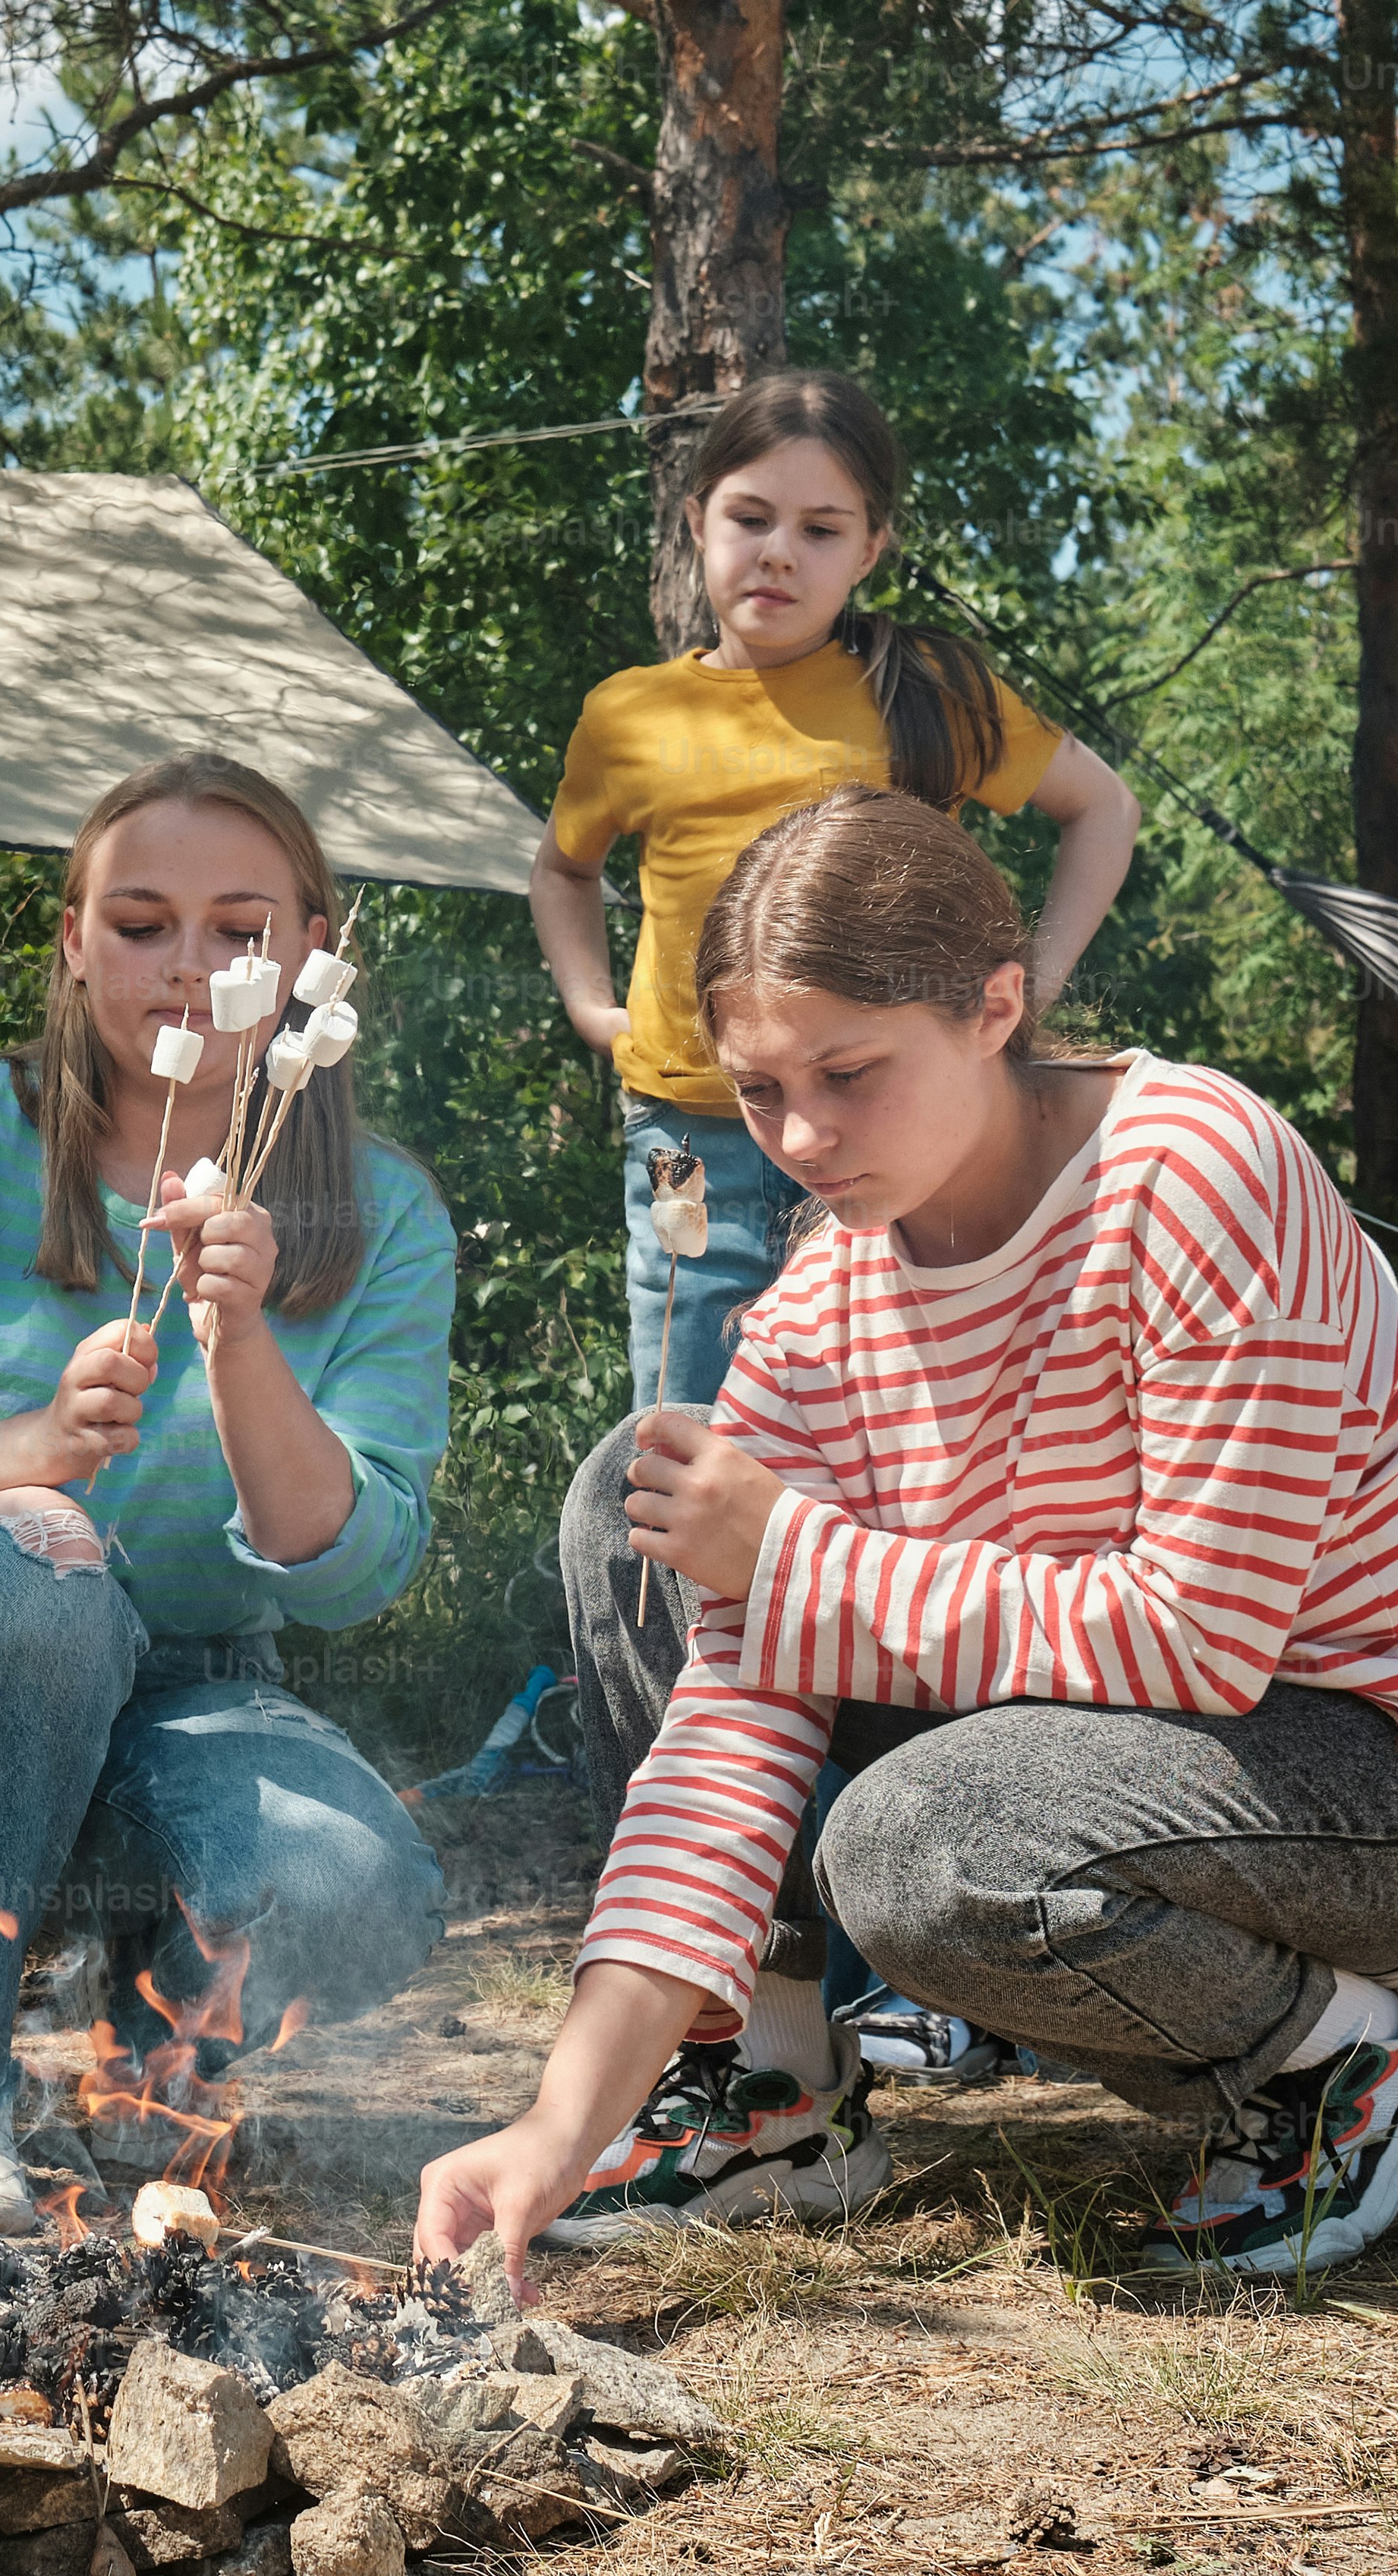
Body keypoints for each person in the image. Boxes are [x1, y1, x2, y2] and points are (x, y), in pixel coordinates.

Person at [419, 788, 1398, 2280]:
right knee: (641, 1507)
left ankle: (1341, 2061)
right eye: (761, 1090)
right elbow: (728, 1730)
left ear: (995, 1008)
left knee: (915, 1851)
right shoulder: (822, 1308)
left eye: (850, 1071)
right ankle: (769, 2086)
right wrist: (556, 2122)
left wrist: (800, 1558)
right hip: (1131, 1724)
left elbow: (1200, 1637)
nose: (804, 1137)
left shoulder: (1199, 1177)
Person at [534, 367, 1148, 2105]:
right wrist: (598, 1011)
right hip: (700, 1163)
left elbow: (1096, 808)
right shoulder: (632, 715)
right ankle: (755, 1984)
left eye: (823, 525)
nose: (780, 553)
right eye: (750, 517)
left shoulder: (922, 697)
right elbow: (560, 868)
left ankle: (922, 1957)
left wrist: (1015, 1013)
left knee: (896, 1513)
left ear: (873, 545)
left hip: (903, 1144)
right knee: (694, 1526)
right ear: (696, 525)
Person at [0, 753, 454, 2232]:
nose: (190, 967)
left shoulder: (382, 1213)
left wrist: (238, 1337)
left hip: (194, 1692)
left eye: (240, 930)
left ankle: (144, 2074)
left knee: (360, 1877)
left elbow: (358, 1565)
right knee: (33, 1555)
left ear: (310, 953)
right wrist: (9, 1458)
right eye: (140, 923)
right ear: (72, 943)